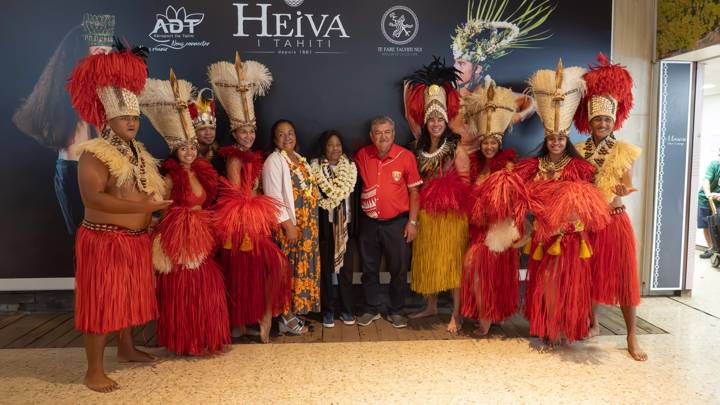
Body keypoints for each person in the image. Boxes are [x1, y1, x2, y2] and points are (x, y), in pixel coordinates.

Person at [67, 41, 171, 392]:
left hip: (134, 242)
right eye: (125, 116)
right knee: (101, 304)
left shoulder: (138, 152)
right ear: (108, 117)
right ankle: (92, 370)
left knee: (126, 300)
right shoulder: (94, 153)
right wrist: (145, 209)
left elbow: (141, 190)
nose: (131, 122)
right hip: (104, 240)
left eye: (135, 117)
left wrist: (152, 213)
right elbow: (93, 199)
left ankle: (126, 349)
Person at [515, 60, 611, 345]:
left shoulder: (581, 168)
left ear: (566, 138)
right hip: (544, 235)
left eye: (560, 138)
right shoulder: (533, 165)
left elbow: (590, 201)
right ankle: (546, 325)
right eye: (551, 138)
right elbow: (522, 195)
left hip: (570, 237)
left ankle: (568, 326)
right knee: (545, 284)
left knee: (569, 284)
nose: (556, 142)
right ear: (546, 139)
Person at [139, 71, 230, 355]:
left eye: (192, 147)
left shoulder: (203, 173)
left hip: (202, 234)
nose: (190, 152)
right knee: (184, 288)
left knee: (207, 286)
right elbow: (160, 208)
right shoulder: (168, 178)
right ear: (175, 152)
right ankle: (186, 340)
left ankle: (205, 335)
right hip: (180, 239)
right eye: (184, 148)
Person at [210, 53, 291, 343]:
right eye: (243, 131)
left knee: (268, 269)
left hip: (254, 219)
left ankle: (262, 319)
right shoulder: (234, 158)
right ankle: (248, 322)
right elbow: (238, 194)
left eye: (252, 130)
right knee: (253, 270)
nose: (248, 135)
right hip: (242, 224)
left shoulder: (256, 156)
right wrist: (257, 201)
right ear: (235, 132)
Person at [573, 53, 648, 361]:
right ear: (590, 122)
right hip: (588, 223)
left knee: (624, 278)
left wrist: (622, 190)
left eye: (607, 119)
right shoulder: (579, 150)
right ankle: (593, 321)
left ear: (613, 120)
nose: (602, 123)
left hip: (615, 221)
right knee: (589, 274)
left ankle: (631, 334)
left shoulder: (624, 150)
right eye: (598, 119)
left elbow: (627, 185)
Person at [13, 13, 115, 235]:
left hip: (102, 168)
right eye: (97, 48)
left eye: (106, 50)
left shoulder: (105, 87)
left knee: (105, 238)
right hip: (74, 168)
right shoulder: (66, 87)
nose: (103, 54)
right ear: (82, 48)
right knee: (84, 237)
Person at [402, 58, 471, 334]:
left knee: (453, 264)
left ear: (446, 120)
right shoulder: (417, 148)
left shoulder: (456, 148)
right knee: (428, 259)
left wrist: (447, 193)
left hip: (451, 215)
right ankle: (430, 306)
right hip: (427, 214)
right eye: (431, 119)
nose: (435, 123)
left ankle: (457, 314)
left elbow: (465, 183)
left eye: (439, 119)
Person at [459, 82, 531, 335]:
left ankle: (487, 319)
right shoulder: (474, 164)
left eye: (493, 142)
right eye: (485, 142)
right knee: (478, 272)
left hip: (497, 231)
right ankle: (490, 314)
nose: (489, 146)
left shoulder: (508, 166)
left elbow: (512, 199)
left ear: (499, 143)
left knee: (484, 271)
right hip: (478, 228)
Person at [444, 0, 555, 154]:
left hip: (481, 164)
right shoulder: (445, 95)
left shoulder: (494, 95)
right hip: (451, 166)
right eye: (455, 63)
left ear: (478, 69)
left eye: (461, 64)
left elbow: (532, 103)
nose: (455, 68)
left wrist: (518, 116)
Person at [354, 116, 423, 328]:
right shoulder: (362, 155)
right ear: (371, 136)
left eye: (387, 132)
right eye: (378, 132)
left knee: (399, 269)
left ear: (393, 134)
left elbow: (414, 192)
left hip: (397, 223)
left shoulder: (406, 157)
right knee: (369, 267)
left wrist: (412, 222)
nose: (383, 136)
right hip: (369, 223)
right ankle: (371, 308)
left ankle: (396, 310)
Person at [263, 119, 321, 335]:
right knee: (288, 272)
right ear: (274, 139)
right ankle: (285, 317)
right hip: (291, 227)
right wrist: (288, 226)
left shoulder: (300, 160)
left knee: (299, 271)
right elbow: (273, 197)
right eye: (281, 134)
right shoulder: (274, 161)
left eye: (290, 133)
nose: (287, 137)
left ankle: (293, 312)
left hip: (307, 228)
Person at [311, 130, 359, 328]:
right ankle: (328, 310)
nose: (335, 149)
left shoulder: (351, 169)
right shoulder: (315, 171)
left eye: (338, 144)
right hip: (326, 229)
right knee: (326, 272)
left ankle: (347, 309)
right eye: (330, 145)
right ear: (324, 147)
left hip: (346, 229)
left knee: (346, 272)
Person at [188, 87, 224, 175]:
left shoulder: (220, 154)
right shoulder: (186, 156)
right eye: (202, 129)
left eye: (212, 128)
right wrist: (204, 162)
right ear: (194, 131)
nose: (208, 133)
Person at [697, 153, 720, 258]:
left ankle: (717, 248)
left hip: (718, 201)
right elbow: (706, 180)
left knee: (717, 224)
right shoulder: (714, 165)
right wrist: (708, 194)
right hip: (705, 199)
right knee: (706, 224)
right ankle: (711, 248)